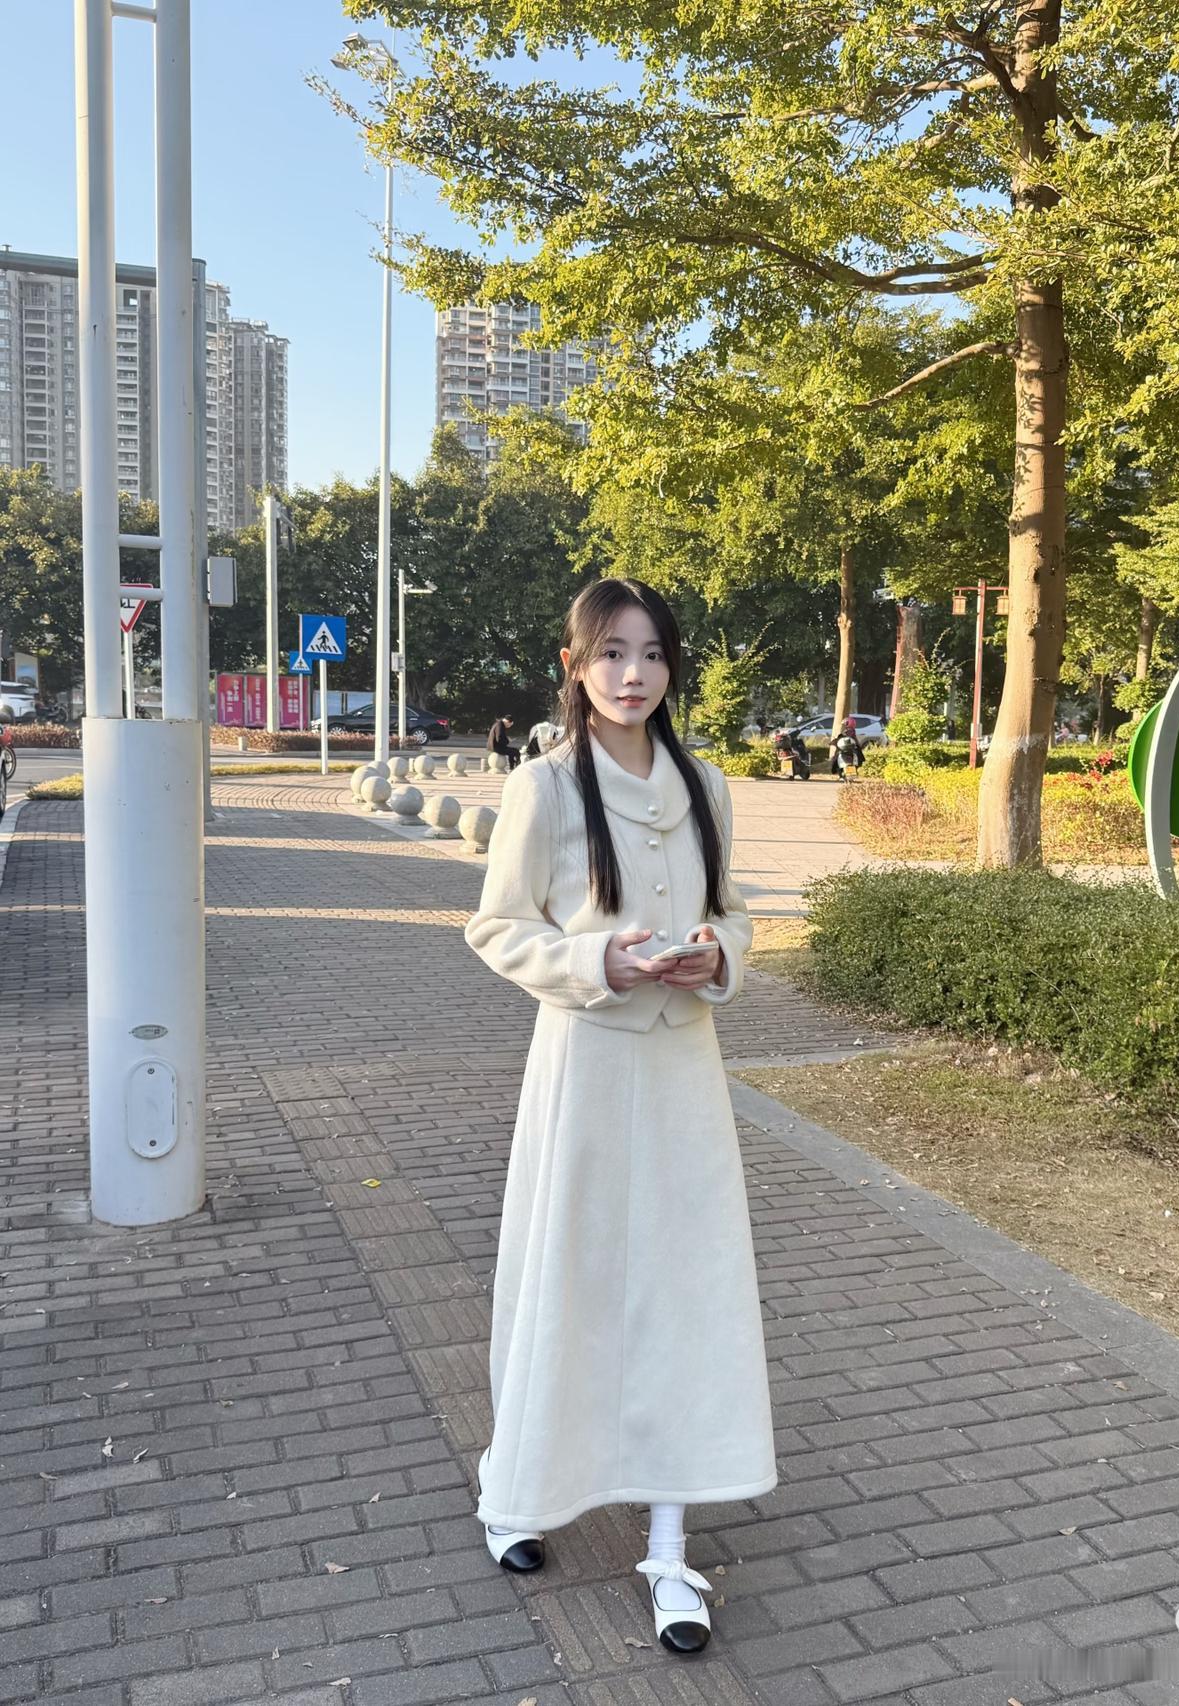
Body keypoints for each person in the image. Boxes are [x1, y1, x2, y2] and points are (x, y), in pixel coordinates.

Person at [464, 578, 776, 1656]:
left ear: (672, 665)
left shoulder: (707, 785)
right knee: (568, 1278)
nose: (631, 674)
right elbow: (498, 927)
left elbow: (735, 913)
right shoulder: (544, 787)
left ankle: (669, 1541)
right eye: (610, 653)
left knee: (685, 1294)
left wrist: (714, 955)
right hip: (586, 1068)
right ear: (575, 664)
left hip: (684, 1070)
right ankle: (517, 1485)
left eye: (649, 653)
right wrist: (600, 959)